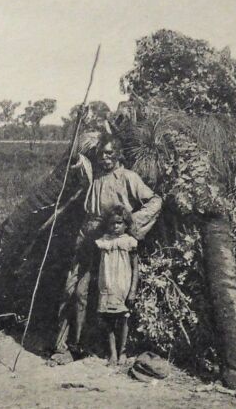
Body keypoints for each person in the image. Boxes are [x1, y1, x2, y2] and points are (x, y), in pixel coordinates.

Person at [51, 132, 162, 364]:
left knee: (109, 295)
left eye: (110, 153)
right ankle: (70, 346)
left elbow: (155, 201)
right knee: (74, 291)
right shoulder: (94, 176)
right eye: (102, 153)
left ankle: (108, 348)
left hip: (113, 243)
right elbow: (78, 161)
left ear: (119, 154)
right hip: (87, 238)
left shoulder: (128, 178)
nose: (106, 158)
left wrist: (132, 223)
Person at [95, 205, 138, 366]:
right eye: (112, 223)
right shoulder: (104, 241)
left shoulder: (129, 242)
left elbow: (135, 268)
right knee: (108, 319)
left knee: (124, 319)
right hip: (107, 283)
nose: (115, 226)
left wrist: (132, 290)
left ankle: (123, 352)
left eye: (119, 223)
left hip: (123, 285)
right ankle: (112, 352)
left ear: (126, 224)